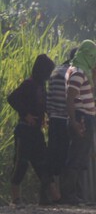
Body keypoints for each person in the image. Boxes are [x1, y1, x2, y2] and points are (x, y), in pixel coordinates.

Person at [6, 54, 56, 204]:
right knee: (21, 163)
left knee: (43, 163)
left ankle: (55, 197)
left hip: (36, 132)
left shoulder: (41, 86)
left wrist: (45, 116)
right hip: (25, 131)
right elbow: (12, 98)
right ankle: (16, 198)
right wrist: (25, 114)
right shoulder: (29, 84)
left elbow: (42, 104)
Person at [63, 40, 96, 206]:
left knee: (81, 156)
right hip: (81, 118)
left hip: (86, 116)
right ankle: (70, 195)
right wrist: (74, 121)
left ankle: (77, 195)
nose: (95, 60)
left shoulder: (83, 72)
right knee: (76, 156)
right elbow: (70, 98)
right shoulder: (77, 72)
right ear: (86, 55)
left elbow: (88, 92)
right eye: (93, 55)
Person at [42, 48, 76, 204]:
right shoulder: (71, 73)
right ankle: (64, 196)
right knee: (66, 158)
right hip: (64, 119)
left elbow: (48, 97)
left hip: (53, 119)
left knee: (52, 156)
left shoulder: (55, 72)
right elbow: (71, 99)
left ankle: (47, 195)